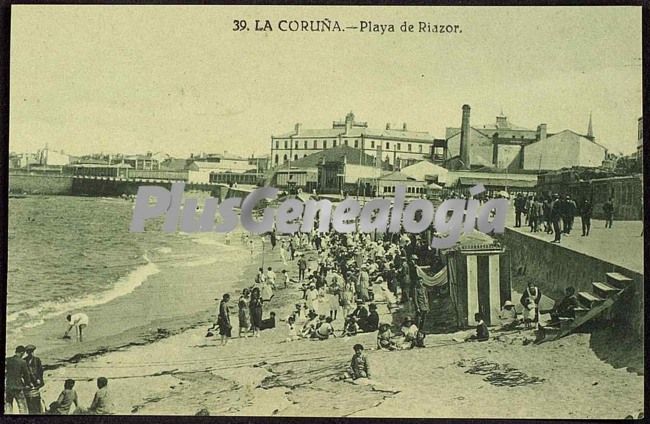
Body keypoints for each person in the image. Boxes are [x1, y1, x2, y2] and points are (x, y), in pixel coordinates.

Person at [4, 345, 30, 414]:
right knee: (22, 406)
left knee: (8, 405)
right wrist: (28, 384)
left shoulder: (7, 360)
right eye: (23, 353)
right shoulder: (22, 362)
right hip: (18, 387)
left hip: (8, 386)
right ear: (22, 352)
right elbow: (26, 375)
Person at [23, 345, 44, 414]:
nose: (31, 353)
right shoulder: (24, 361)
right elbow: (23, 373)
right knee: (29, 399)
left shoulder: (37, 360)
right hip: (28, 383)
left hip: (36, 382)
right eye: (29, 352)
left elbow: (40, 371)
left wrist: (39, 379)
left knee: (37, 398)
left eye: (32, 352)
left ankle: (38, 412)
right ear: (27, 353)